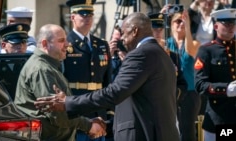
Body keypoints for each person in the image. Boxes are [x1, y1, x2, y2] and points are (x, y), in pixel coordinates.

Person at [34, 12, 180, 141]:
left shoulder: (140, 55)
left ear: (135, 31)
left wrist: (68, 103)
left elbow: (114, 92)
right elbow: (142, 105)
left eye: (124, 33)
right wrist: (108, 125)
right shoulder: (162, 55)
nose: (122, 39)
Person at [14, 24, 106, 141]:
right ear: (45, 44)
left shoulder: (48, 65)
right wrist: (88, 125)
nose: (67, 44)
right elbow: (57, 113)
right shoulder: (42, 69)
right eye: (61, 41)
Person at [63, 0, 113, 141]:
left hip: (99, 111)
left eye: (90, 14)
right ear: (73, 17)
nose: (88, 18)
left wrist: (109, 112)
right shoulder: (65, 43)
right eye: (83, 14)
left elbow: (107, 81)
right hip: (78, 111)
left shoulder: (101, 44)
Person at [160, 6, 201, 141]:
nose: (181, 23)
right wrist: (160, 16)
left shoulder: (193, 43)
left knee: (187, 129)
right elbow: (153, 36)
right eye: (177, 21)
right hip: (171, 91)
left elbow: (190, 50)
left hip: (189, 92)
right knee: (171, 128)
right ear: (170, 25)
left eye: (183, 21)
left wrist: (187, 25)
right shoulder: (166, 43)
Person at [194, 8, 236, 141]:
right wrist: (227, 89)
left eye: (233, 24)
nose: (231, 28)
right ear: (216, 26)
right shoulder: (206, 51)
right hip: (220, 118)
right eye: (227, 24)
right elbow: (200, 84)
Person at [0, 23, 30, 99]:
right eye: (15, 43)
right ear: (3, 45)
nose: (20, 46)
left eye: (23, 42)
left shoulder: (29, 63)